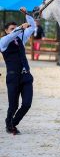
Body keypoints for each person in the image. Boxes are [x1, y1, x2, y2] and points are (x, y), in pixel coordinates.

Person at [0, 7, 36, 135]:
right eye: (11, 29)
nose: (13, 31)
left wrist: (27, 14)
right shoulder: (2, 42)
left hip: (26, 76)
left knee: (27, 104)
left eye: (14, 28)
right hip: (13, 78)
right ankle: (9, 123)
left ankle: (12, 123)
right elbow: (14, 33)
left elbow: (32, 27)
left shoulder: (21, 38)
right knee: (13, 106)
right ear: (6, 31)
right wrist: (20, 27)